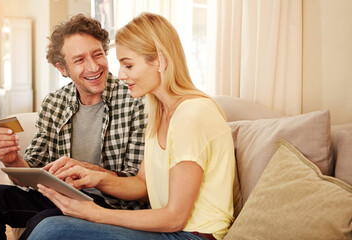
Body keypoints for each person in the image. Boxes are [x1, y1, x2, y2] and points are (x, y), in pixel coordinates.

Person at [28, 12, 236, 240]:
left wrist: (95, 213)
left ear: (159, 61)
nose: (120, 75)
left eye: (128, 65)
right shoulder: (158, 110)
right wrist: (95, 177)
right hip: (170, 230)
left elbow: (176, 217)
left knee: (52, 230)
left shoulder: (193, 113)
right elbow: (142, 184)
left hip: (193, 235)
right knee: (50, 225)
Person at [0, 14, 147, 240]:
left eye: (98, 54)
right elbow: (33, 170)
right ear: (62, 68)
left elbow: (138, 184)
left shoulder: (135, 100)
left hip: (112, 205)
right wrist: (11, 160)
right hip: (60, 196)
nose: (93, 66)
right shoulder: (54, 103)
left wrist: (88, 171)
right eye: (80, 60)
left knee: (44, 222)